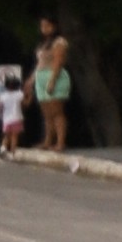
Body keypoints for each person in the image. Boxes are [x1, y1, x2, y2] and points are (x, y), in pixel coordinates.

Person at [31, 19, 73, 153]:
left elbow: (58, 61)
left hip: (54, 76)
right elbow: (39, 64)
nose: (44, 28)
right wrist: (31, 80)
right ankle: (48, 140)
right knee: (46, 113)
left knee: (57, 112)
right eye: (42, 26)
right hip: (41, 77)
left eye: (47, 25)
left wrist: (52, 80)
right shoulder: (43, 44)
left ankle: (60, 142)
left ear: (54, 26)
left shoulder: (59, 42)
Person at [0, 67, 27, 156]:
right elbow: (24, 103)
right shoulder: (19, 94)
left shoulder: (3, 96)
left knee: (6, 135)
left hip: (6, 119)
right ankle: (12, 153)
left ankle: (3, 147)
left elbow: (0, 107)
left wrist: (0, 115)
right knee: (14, 137)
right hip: (17, 118)